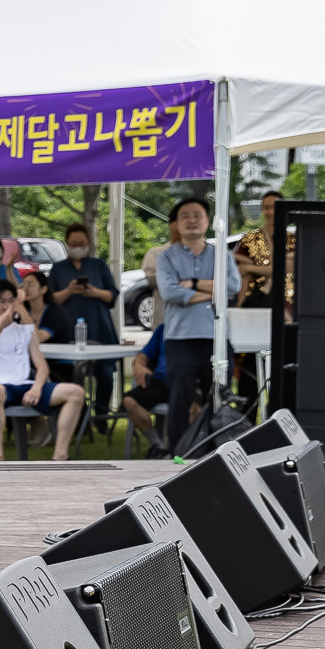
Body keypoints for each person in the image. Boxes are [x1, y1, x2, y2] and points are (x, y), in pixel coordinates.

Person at [0, 276, 86, 462]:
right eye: (1, 302)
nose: (6, 306)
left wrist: (37, 388)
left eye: (11, 301)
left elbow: (42, 366)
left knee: (75, 392)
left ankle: (60, 455)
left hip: (25, 384)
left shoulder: (25, 330)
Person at [157, 195, 233, 448]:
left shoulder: (222, 254)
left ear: (208, 221)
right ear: (176, 225)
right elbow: (170, 292)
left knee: (220, 397)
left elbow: (233, 285)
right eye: (185, 216)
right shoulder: (166, 257)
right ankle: (177, 451)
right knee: (180, 399)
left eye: (197, 215)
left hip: (216, 336)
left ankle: (219, 449)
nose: (191, 220)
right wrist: (213, 292)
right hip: (181, 339)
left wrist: (193, 284)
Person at [44, 221, 120, 421]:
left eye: (81, 243)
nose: (78, 247)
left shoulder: (99, 265)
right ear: (67, 244)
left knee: (104, 373)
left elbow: (112, 296)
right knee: (69, 373)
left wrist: (94, 291)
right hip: (68, 329)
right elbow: (50, 299)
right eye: (73, 243)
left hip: (99, 327)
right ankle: (77, 417)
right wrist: (69, 291)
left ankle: (102, 416)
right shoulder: (58, 269)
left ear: (88, 243)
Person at [120, 326, 169, 455]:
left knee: (194, 405)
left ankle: (188, 447)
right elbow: (142, 356)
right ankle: (158, 446)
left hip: (185, 381)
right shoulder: (163, 329)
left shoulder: (198, 331)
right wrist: (138, 364)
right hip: (159, 381)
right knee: (129, 401)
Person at [235, 191, 282, 307]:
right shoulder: (250, 239)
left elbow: (285, 268)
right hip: (254, 301)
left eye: (275, 207)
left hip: (285, 301)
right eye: (266, 207)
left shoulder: (293, 239)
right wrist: (239, 306)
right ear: (262, 209)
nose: (271, 212)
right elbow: (241, 272)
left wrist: (249, 267)